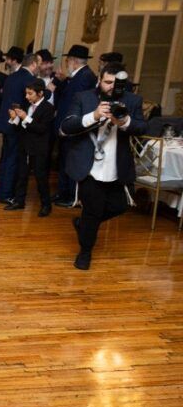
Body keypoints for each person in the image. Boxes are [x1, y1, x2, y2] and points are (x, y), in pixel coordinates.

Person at [60, 63, 146, 270]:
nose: (111, 87)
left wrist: (125, 122)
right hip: (90, 166)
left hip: (117, 166)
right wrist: (94, 116)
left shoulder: (133, 100)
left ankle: (83, 225)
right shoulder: (84, 97)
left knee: (120, 206)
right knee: (92, 210)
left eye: (116, 83)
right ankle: (85, 252)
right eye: (107, 82)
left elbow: (143, 128)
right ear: (99, 80)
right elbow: (66, 127)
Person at [53, 45, 98, 208]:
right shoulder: (77, 76)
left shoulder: (85, 77)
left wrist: (68, 126)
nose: (66, 64)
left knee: (71, 162)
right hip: (67, 127)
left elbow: (77, 105)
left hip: (74, 128)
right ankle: (63, 193)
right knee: (64, 160)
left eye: (67, 61)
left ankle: (73, 196)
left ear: (73, 61)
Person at [4, 78, 55, 216]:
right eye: (26, 93)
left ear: (40, 93)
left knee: (41, 178)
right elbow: (22, 128)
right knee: (21, 175)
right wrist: (15, 118)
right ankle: (19, 201)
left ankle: (46, 205)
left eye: (30, 93)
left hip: (39, 149)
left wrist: (25, 117)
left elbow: (42, 129)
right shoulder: (27, 105)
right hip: (25, 146)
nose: (27, 96)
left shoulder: (48, 108)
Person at [0, 47, 34, 204]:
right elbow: (26, 101)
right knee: (13, 159)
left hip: (7, 122)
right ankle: (7, 194)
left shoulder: (11, 77)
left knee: (6, 158)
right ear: (33, 64)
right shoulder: (27, 78)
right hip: (17, 124)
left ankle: (2, 191)